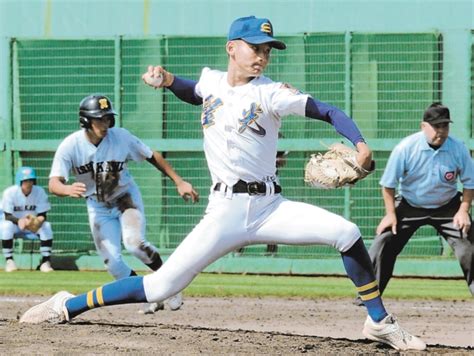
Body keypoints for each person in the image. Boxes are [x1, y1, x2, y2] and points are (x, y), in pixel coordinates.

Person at [20, 16, 425, 351]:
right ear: (233, 47)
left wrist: (360, 144)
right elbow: (194, 92)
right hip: (224, 212)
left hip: (270, 208)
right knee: (160, 286)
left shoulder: (272, 94)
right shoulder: (212, 81)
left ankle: (378, 322)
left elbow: (327, 109)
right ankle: (67, 305)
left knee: (346, 232)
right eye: (255, 47)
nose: (262, 56)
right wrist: (166, 79)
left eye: (267, 50)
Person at [47, 94, 199, 312]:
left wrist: (179, 181)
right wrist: (67, 189)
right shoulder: (71, 146)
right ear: (85, 121)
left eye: (108, 118)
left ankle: (171, 286)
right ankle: (148, 297)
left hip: (125, 199)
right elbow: (54, 183)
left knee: (134, 243)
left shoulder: (121, 137)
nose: (105, 123)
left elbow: (151, 155)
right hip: (97, 205)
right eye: (99, 118)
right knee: (113, 263)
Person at [366, 103, 473, 297]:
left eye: (445, 126)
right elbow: (388, 185)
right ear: (423, 126)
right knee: (382, 242)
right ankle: (368, 297)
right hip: (409, 205)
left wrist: (463, 210)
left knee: (469, 246)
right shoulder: (405, 148)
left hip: (448, 208)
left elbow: (470, 183)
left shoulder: (458, 148)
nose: (441, 131)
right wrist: (390, 215)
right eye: (436, 126)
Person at [1, 166, 54, 272]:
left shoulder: (39, 192)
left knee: (46, 226)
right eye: (25, 181)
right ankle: (9, 261)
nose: (28, 183)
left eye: (30, 180)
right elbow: (7, 215)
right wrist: (19, 221)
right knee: (6, 226)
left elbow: (43, 214)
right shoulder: (10, 193)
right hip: (15, 224)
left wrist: (37, 220)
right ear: (19, 181)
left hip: (32, 224)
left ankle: (45, 262)